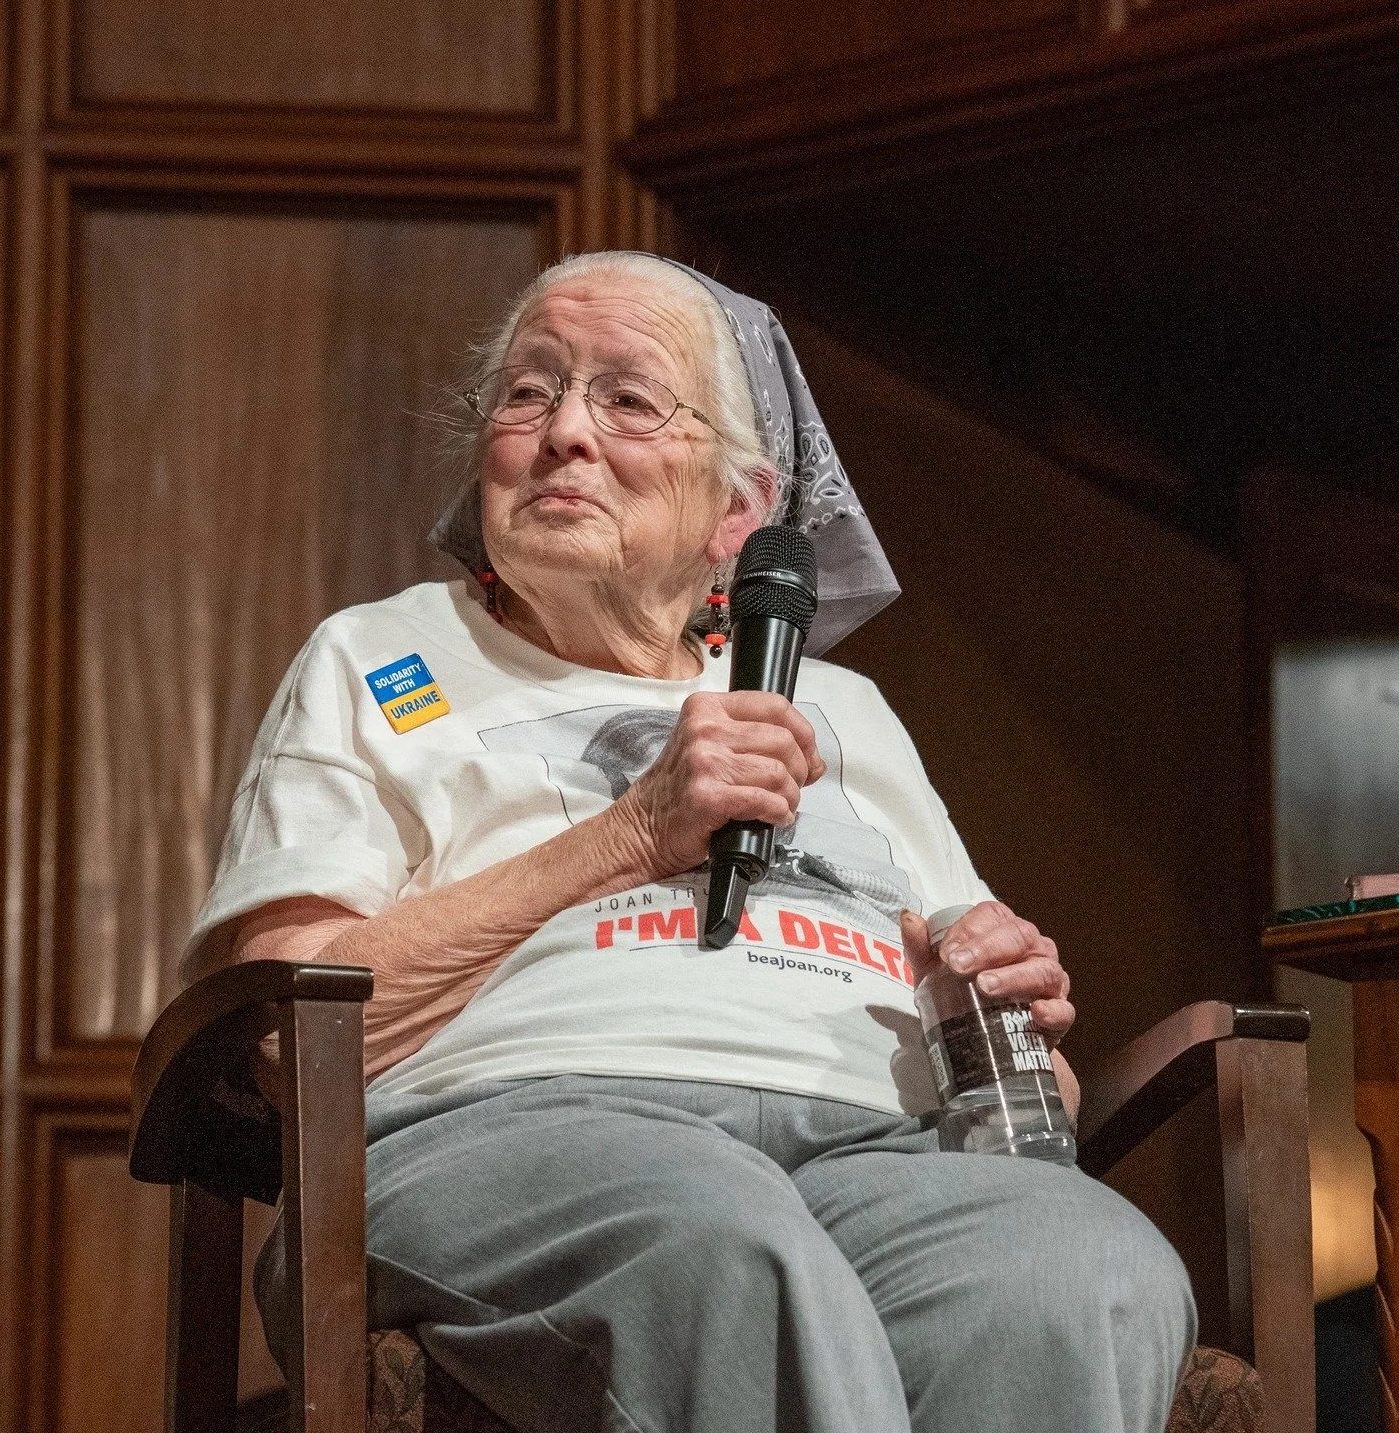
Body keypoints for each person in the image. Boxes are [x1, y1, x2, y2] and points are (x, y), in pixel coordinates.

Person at [184, 251, 1195, 1433]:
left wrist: (998, 1009)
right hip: (521, 1136)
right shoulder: (381, 657)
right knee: (729, 1248)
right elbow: (282, 1034)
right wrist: (630, 835)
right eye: (527, 393)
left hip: (888, 1154)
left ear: (738, 511)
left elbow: (1044, 1097)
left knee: (1081, 1270)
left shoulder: (845, 712)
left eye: (627, 399)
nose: (564, 432)